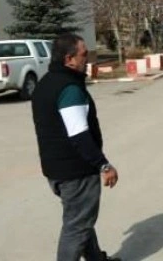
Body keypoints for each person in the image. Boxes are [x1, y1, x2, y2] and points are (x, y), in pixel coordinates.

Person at [32, 33, 120, 261]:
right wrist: (104, 165)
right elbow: (79, 136)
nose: (88, 59)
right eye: (84, 55)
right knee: (76, 228)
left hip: (56, 170)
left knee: (80, 219)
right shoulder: (70, 89)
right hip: (76, 173)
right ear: (69, 59)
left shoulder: (45, 83)